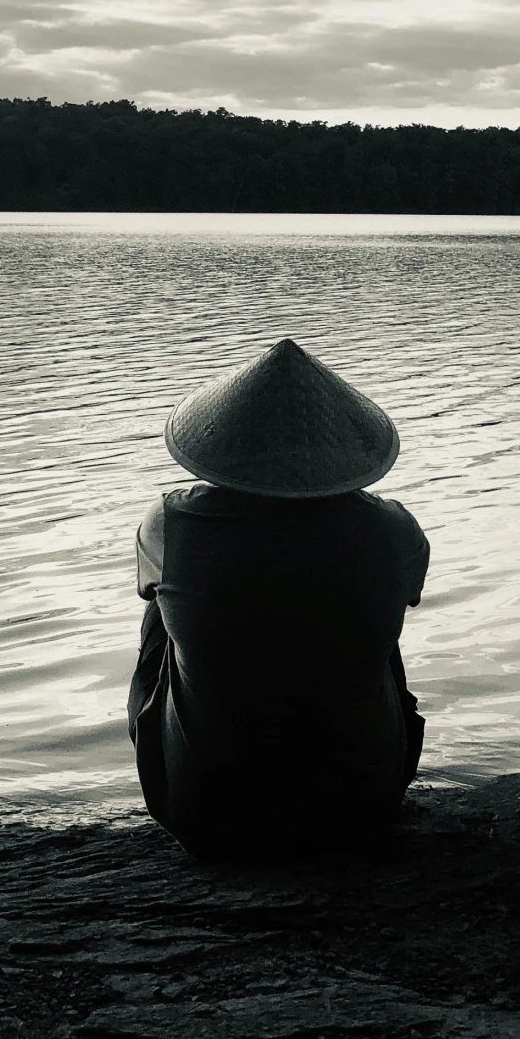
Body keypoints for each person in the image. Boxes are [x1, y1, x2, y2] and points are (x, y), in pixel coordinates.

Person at [126, 336, 430, 858]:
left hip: (207, 818)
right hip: (362, 810)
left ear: (226, 444)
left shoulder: (170, 523)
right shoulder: (395, 530)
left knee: (160, 607)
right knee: (374, 605)